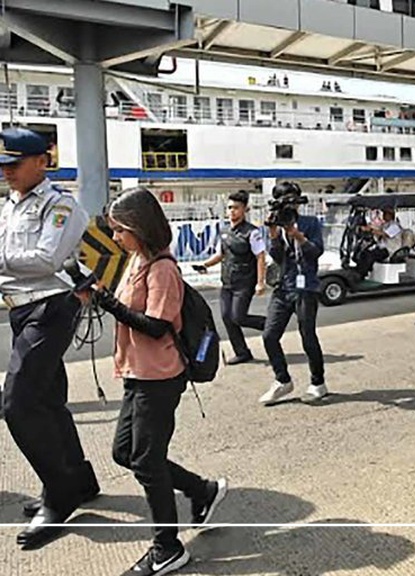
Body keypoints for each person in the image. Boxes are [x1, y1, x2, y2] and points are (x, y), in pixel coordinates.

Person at [85, 188, 227, 576]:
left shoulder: (163, 269)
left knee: (146, 460)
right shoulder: (135, 260)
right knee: (125, 453)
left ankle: (167, 548)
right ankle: (202, 490)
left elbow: (157, 325)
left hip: (160, 378)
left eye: (119, 231)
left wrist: (107, 302)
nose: (115, 238)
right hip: (136, 373)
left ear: (139, 228)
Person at [0, 127, 100, 550]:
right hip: (21, 310)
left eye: (14, 164)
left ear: (43, 160)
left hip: (51, 309)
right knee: (48, 400)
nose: (7, 172)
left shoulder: (62, 207)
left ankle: (59, 495)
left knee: (17, 404)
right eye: (2, 165)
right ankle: (79, 478)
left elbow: (48, 258)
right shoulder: (9, 205)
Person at [258, 182, 329, 405]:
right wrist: (274, 235)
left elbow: (316, 252)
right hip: (283, 286)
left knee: (307, 335)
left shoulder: (311, 223)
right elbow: (278, 257)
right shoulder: (277, 225)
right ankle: (282, 380)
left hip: (306, 286)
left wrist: (297, 234)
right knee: (269, 335)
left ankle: (318, 383)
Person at [196, 190, 267, 365]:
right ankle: (242, 352)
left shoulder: (252, 232)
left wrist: (260, 282)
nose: (232, 211)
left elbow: (261, 257)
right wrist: (205, 265)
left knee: (238, 317)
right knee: (227, 317)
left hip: (245, 282)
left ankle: (271, 324)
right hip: (227, 282)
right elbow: (221, 254)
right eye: (229, 208)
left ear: (245, 210)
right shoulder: (225, 231)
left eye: (236, 208)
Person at [354, 206, 403, 278]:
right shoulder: (385, 225)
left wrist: (371, 230)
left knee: (370, 255)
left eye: (385, 213)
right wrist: (366, 228)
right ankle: (361, 272)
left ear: (391, 215)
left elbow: (384, 234)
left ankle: (361, 275)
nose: (383, 215)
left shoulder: (395, 226)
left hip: (390, 250)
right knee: (363, 253)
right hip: (381, 248)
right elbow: (377, 230)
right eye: (383, 213)